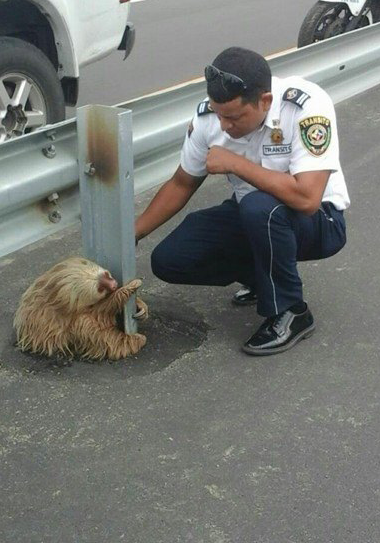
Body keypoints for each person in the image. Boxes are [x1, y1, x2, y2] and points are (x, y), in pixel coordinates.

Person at [135, 47, 350, 356]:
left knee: (259, 207)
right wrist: (134, 232)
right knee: (170, 259)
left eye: (234, 117)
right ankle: (262, 278)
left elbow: (307, 199)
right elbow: (181, 183)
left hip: (319, 222)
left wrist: (236, 163)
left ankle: (291, 311)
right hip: (254, 217)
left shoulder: (305, 106)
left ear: (264, 102)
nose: (224, 126)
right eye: (219, 115)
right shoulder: (210, 118)